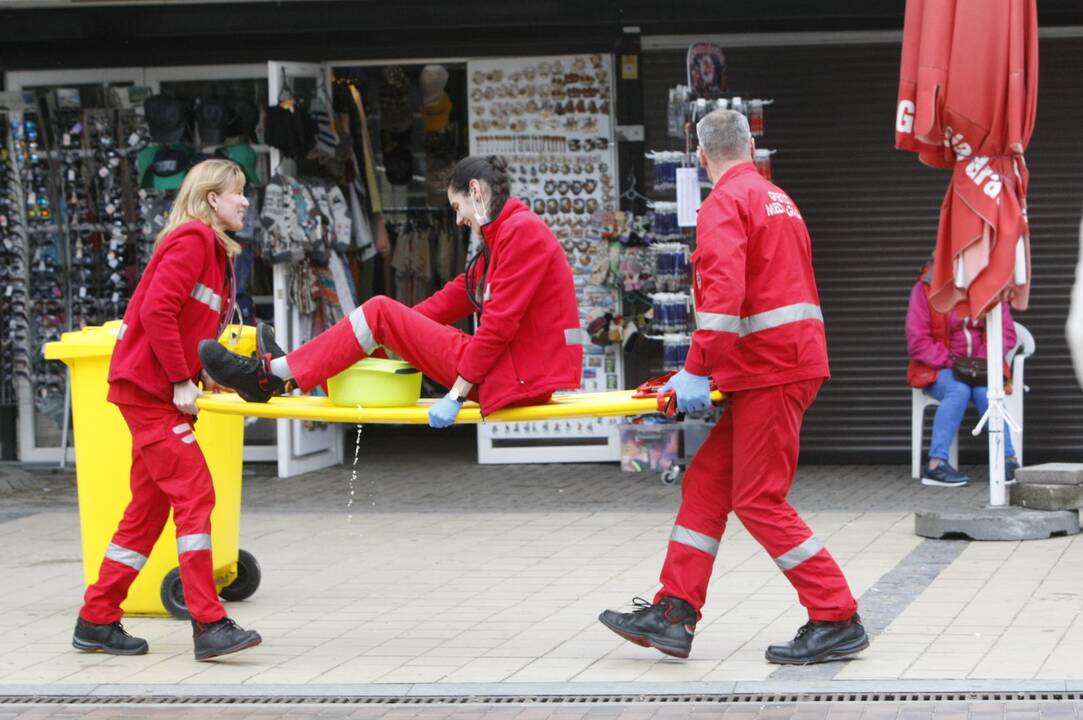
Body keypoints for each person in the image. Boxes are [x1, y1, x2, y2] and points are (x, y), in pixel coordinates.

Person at [598, 109, 867, 665]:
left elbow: (721, 297)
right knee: (706, 484)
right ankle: (674, 610)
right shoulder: (778, 200)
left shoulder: (724, 203)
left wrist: (697, 368)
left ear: (700, 157)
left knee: (757, 498)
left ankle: (836, 614)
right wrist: (709, 369)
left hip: (769, 370)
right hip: (777, 366)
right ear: (751, 147)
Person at [198, 155, 583, 428]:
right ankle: (288, 371)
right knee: (381, 319)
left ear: (476, 190)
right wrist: (403, 329)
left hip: (515, 377)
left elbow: (498, 327)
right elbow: (456, 295)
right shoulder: (508, 232)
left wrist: (455, 394)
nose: (458, 219)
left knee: (380, 311)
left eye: (456, 206)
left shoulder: (520, 233)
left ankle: (271, 376)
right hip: (516, 373)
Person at [73, 159, 262, 661]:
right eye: (236, 192)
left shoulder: (213, 250)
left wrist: (203, 377)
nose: (245, 200)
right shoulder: (194, 240)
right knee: (196, 494)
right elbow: (156, 309)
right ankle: (209, 621)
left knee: (147, 510)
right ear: (209, 199)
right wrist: (181, 378)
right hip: (151, 391)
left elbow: (184, 323)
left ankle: (97, 617)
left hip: (156, 391)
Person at [907, 261, 1020, 486]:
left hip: (982, 366)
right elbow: (917, 341)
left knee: (989, 392)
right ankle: (935, 466)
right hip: (940, 367)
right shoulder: (925, 288)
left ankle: (1008, 461)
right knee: (958, 390)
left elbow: (1005, 331)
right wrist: (954, 362)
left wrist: (980, 361)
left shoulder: (990, 286)